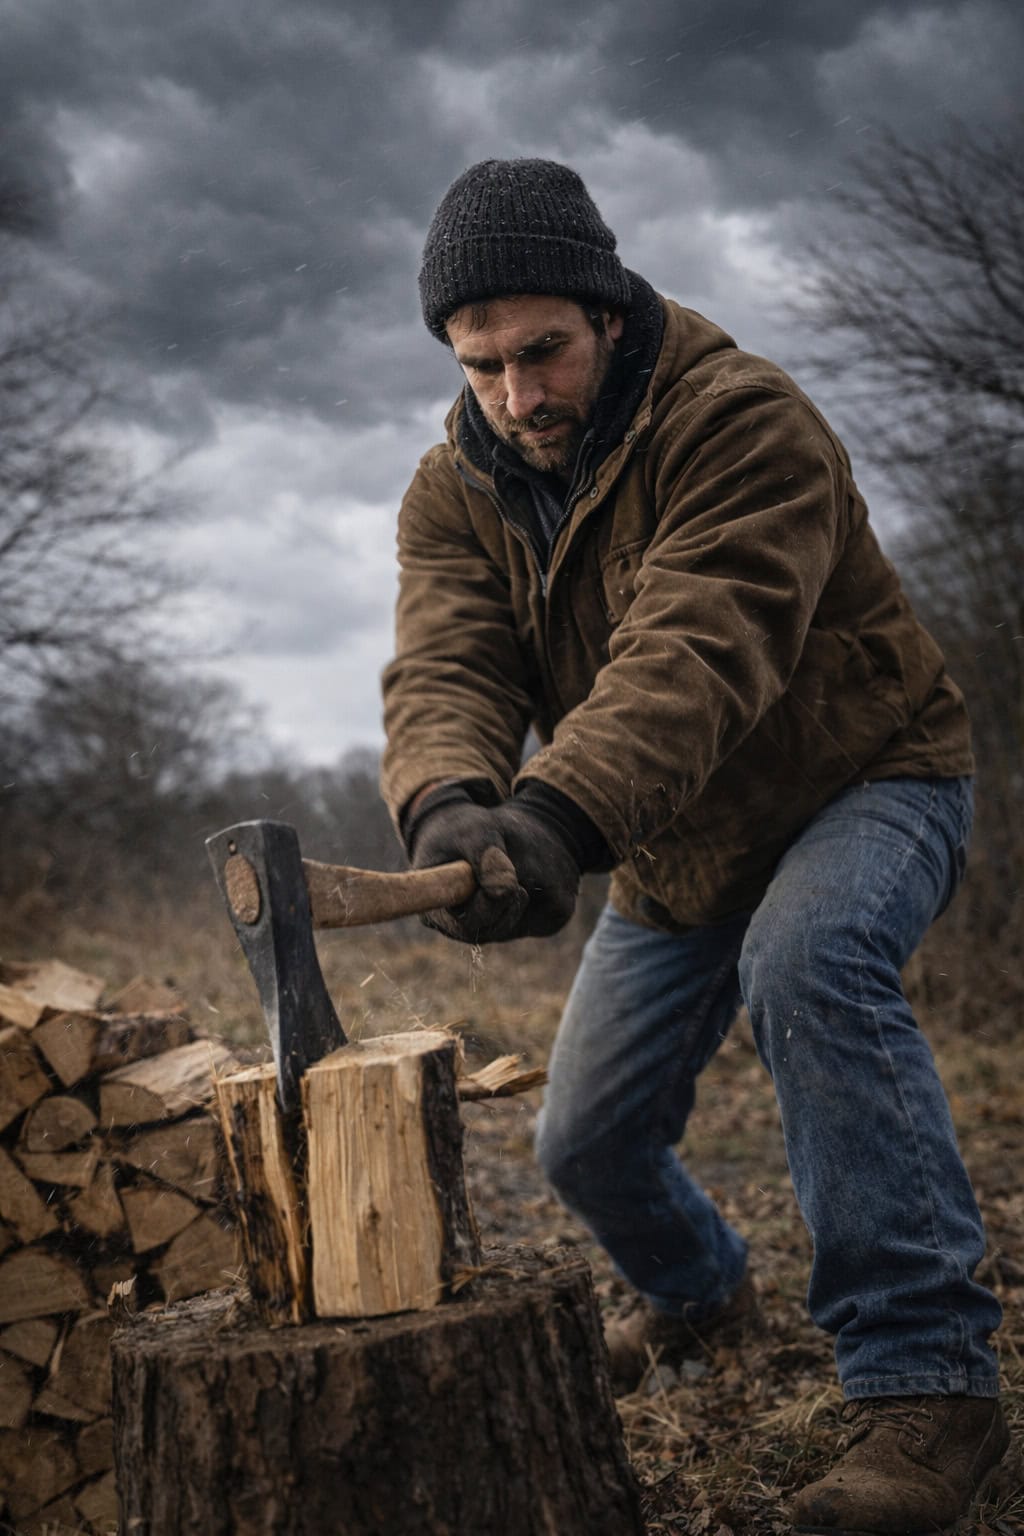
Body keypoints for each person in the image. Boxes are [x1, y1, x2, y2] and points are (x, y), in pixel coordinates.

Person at [379, 158, 1008, 1532]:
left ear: (607, 311)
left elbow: (700, 643)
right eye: (482, 367)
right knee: (583, 1141)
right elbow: (448, 661)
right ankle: (697, 1293)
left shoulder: (743, 419)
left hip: (863, 777)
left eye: (540, 353)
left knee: (814, 961)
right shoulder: (455, 488)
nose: (517, 397)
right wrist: (450, 802)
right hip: (677, 838)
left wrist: (556, 815)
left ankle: (929, 1390)